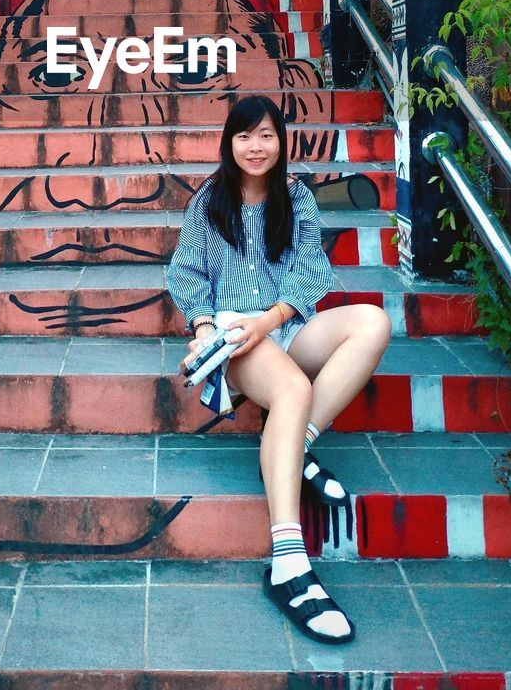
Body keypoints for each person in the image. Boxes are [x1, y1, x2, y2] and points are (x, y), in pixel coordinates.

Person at [167, 94, 392, 645]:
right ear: (230, 142)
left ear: (281, 141)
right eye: (245, 135)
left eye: (267, 135)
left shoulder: (296, 199)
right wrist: (203, 330)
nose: (256, 146)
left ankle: (294, 444)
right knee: (290, 389)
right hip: (235, 336)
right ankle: (289, 565)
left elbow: (313, 271)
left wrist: (272, 320)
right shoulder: (208, 201)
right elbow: (185, 272)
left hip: (281, 323)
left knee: (372, 324)